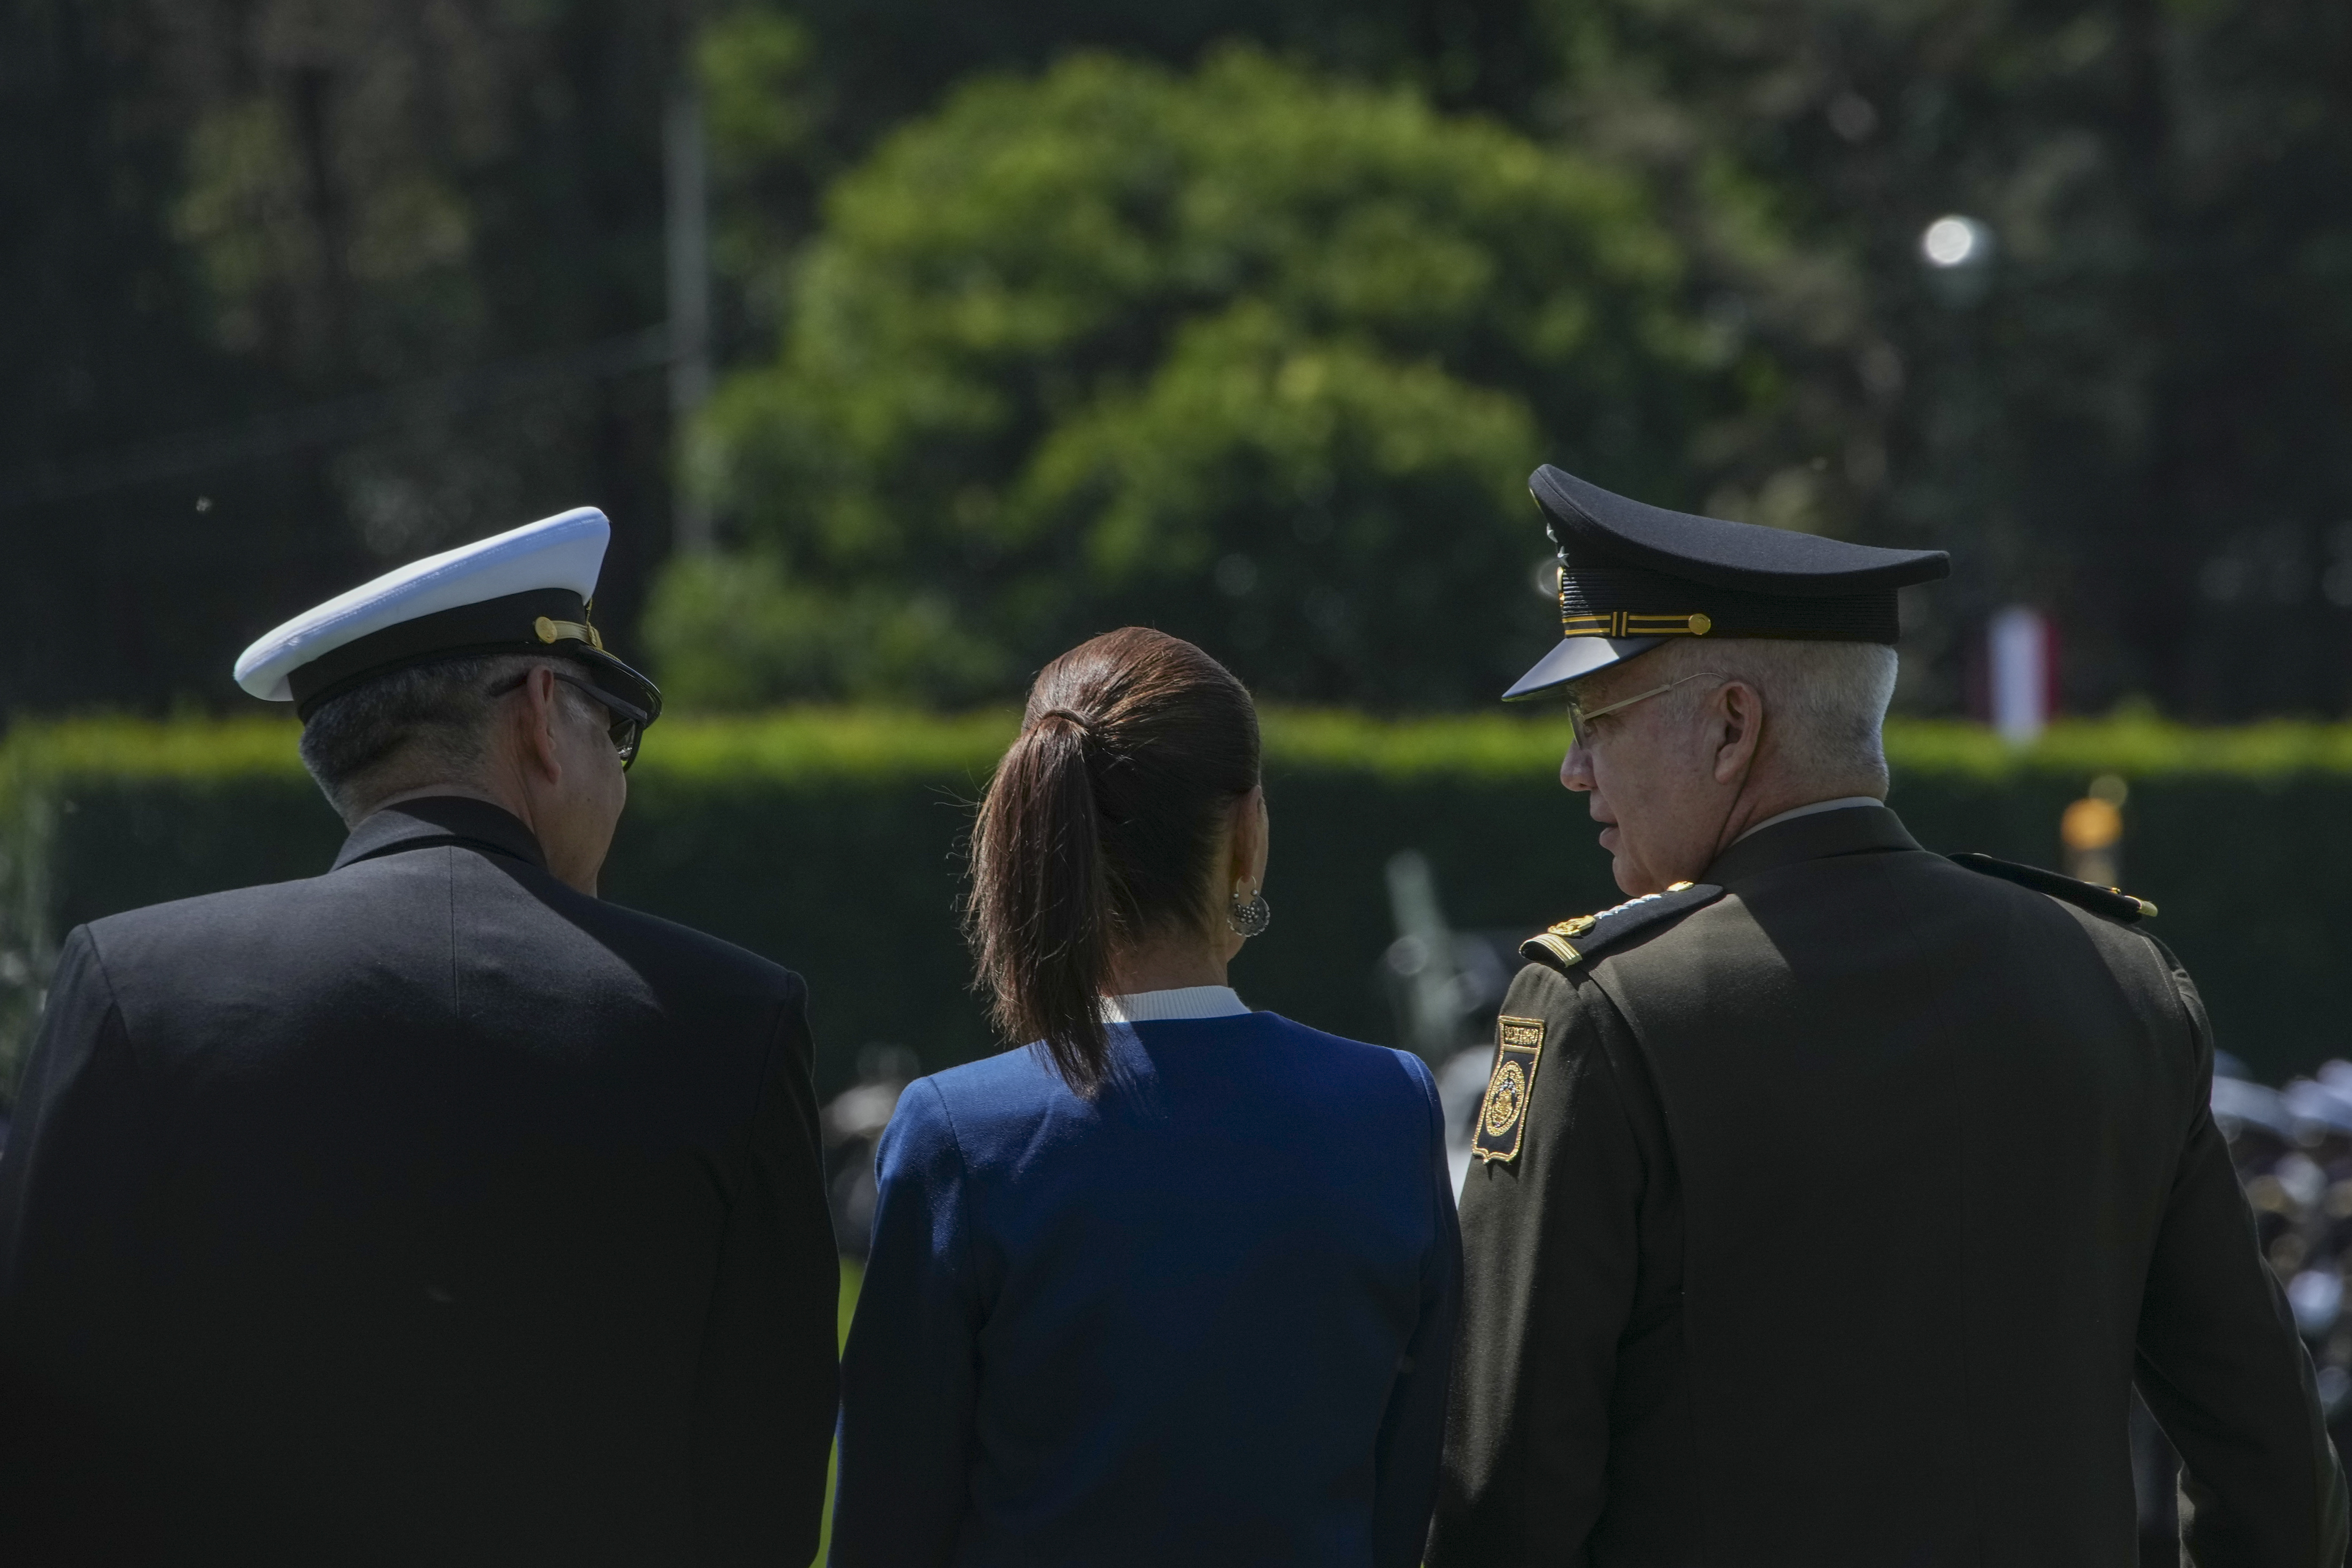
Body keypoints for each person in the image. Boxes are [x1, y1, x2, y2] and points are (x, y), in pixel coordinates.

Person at [1428, 466, 2348, 1566]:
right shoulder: (2121, 980)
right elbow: (2272, 1468)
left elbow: (1505, 1498)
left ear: (1731, 727)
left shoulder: (1607, 1007)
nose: (1576, 768)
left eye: (1598, 717)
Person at [0, 509, 838, 1565]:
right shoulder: (730, 1020)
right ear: (539, 712)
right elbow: (763, 1500)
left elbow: (36, 1452)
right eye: (610, 731)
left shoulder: (134, 988)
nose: (618, 774)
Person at [830, 626, 1461, 1567]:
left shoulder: (958, 1133)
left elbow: (888, 1523)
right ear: (1246, 829)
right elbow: (1412, 1485)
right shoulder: (1389, 1106)